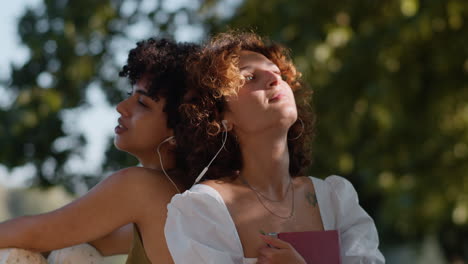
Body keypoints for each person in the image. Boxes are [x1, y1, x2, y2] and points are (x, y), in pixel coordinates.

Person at [165, 31, 385, 264]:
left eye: (277, 73)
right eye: (250, 77)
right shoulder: (203, 210)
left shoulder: (335, 199)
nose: (274, 79)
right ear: (219, 115)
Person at [0, 37, 199, 264]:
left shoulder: (142, 187)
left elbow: (37, 233)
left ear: (181, 129)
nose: (121, 107)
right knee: (73, 252)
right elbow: (70, 239)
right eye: (129, 96)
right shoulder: (181, 192)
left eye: (143, 103)